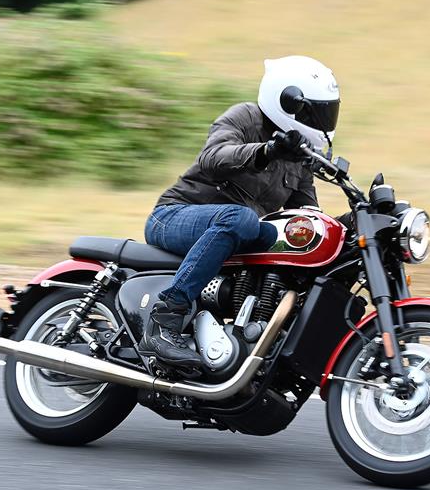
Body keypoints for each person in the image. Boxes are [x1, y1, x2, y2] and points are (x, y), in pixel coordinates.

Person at [139, 55, 340, 368]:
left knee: (299, 242)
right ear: (289, 101)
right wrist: (266, 151)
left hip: (229, 231)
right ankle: (165, 318)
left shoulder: (299, 157)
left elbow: (306, 215)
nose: (324, 121)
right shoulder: (246, 116)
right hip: (174, 215)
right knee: (241, 218)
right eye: (318, 112)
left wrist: (350, 226)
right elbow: (213, 157)